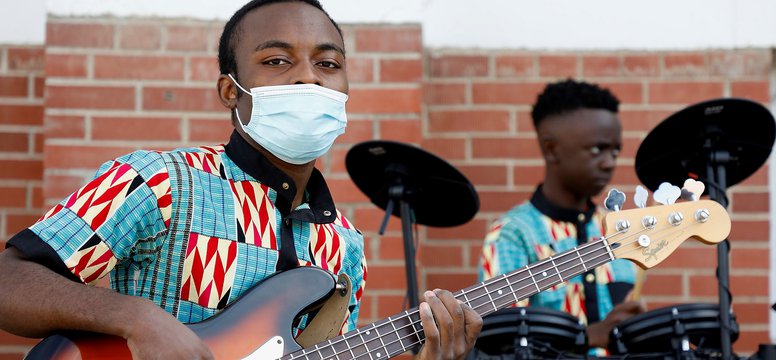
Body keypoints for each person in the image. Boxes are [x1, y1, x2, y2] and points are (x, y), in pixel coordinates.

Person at [0, 1, 482, 359]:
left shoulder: (344, 246)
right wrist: (134, 318)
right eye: (277, 61)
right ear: (231, 90)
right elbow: (9, 280)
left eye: (328, 64)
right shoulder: (159, 182)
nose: (308, 79)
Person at [477, 79, 643, 351]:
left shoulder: (618, 228)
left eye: (615, 151)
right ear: (551, 149)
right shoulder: (513, 233)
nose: (610, 162)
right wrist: (587, 337)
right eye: (597, 149)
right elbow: (501, 343)